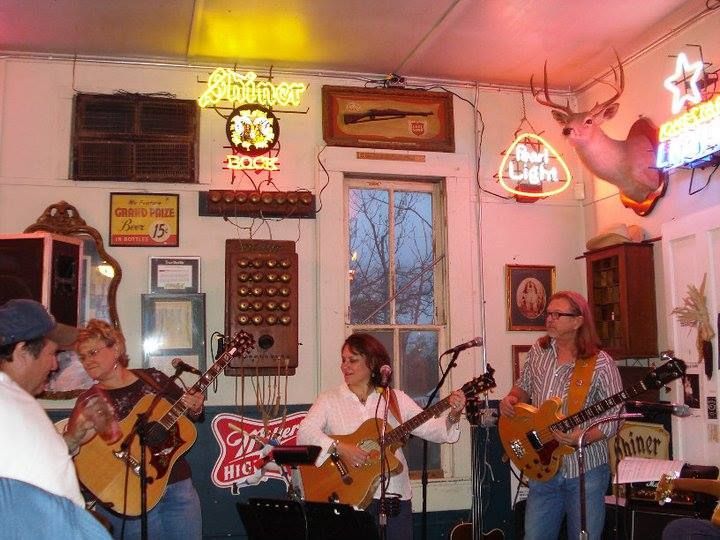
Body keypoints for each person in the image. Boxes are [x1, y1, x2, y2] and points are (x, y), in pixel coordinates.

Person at [297, 333, 466, 540]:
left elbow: (436, 431)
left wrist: (454, 415)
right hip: (348, 497)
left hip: (394, 497)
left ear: (372, 363)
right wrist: (340, 447)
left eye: (352, 360)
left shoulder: (395, 399)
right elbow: (304, 433)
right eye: (343, 360)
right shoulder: (330, 399)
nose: (345, 366)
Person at [499, 291, 623, 540]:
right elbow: (524, 386)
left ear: (578, 321)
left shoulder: (600, 363)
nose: (549, 319)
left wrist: (586, 436)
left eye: (557, 314)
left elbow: (616, 415)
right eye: (549, 314)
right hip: (542, 465)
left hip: (586, 469)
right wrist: (511, 399)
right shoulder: (539, 351)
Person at [71, 319, 205, 540]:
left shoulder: (153, 378)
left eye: (93, 352)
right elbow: (82, 456)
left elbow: (189, 414)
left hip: (177, 487)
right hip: (129, 496)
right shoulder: (89, 401)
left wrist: (196, 406)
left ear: (115, 348)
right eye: (82, 357)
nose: (87, 361)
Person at [0, 299, 97, 507]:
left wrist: (72, 439)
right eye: (52, 354)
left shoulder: (17, 400)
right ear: (21, 352)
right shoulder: (9, 405)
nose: (54, 365)